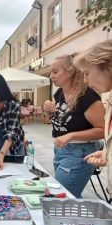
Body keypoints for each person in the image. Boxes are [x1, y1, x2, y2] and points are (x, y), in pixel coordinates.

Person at [43, 54, 105, 198]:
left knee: (60, 196)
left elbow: (103, 130)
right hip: (61, 151)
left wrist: (71, 136)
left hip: (80, 151)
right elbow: (50, 122)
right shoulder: (59, 93)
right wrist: (47, 111)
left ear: (70, 71)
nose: (51, 76)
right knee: (69, 196)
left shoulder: (86, 96)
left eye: (55, 71)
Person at [73, 40, 112, 199]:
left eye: (87, 73)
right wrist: (107, 154)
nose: (85, 80)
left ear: (108, 66)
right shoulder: (109, 101)